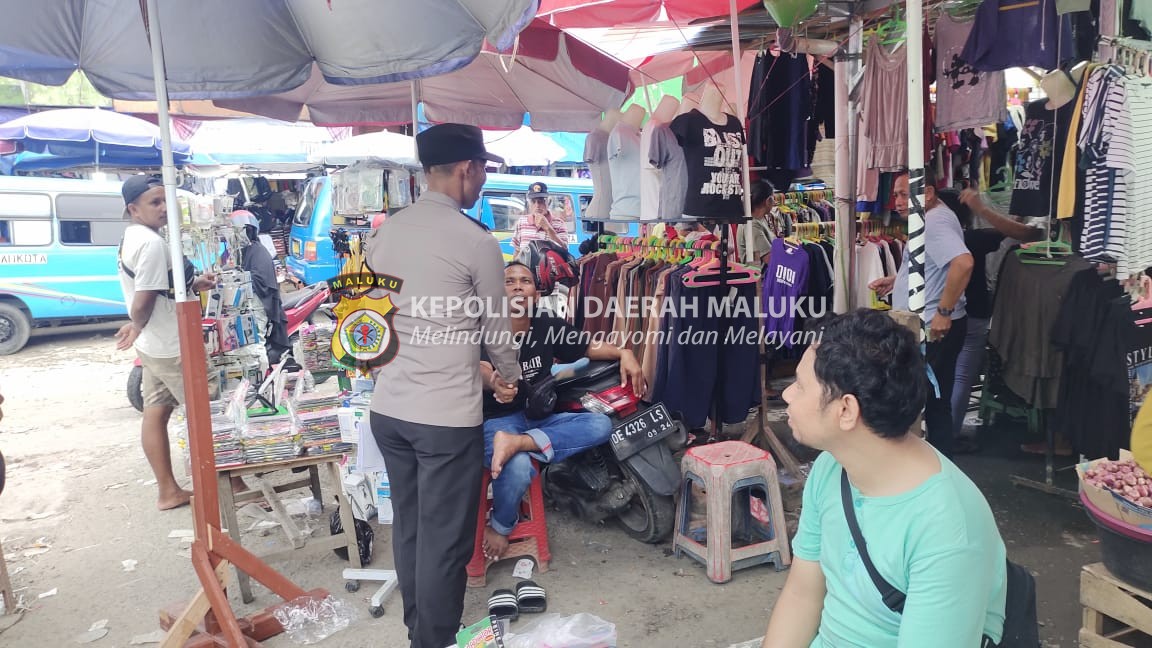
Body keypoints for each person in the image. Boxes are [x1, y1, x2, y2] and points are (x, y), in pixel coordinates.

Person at [761, 309, 1008, 648]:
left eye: (801, 386)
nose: (787, 395)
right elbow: (802, 594)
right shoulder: (829, 469)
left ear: (845, 411)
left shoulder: (947, 528)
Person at [365, 123, 522, 648]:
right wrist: (509, 380)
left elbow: (368, 314)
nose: (481, 180)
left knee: (409, 529)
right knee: (447, 541)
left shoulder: (386, 231)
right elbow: (497, 331)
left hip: (389, 409)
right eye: (481, 170)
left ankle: (419, 631)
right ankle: (431, 641)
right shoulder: (475, 240)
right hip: (443, 417)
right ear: (466, 169)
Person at [479, 262, 644, 561]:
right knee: (517, 469)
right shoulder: (484, 326)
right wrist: (493, 382)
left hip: (538, 418)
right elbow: (476, 367)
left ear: (537, 294)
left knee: (600, 425)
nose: (518, 286)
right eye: (510, 281)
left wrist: (625, 353)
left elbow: (588, 347)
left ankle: (522, 443)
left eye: (525, 281)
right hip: (497, 422)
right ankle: (501, 525)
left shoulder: (546, 324)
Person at [113, 175, 221, 511]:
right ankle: (229, 484)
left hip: (155, 343)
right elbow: (143, 299)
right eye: (154, 203)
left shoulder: (135, 236)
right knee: (211, 411)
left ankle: (168, 491)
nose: (163, 209)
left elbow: (159, 286)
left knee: (156, 412)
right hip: (173, 344)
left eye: (165, 201)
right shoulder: (151, 243)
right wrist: (136, 323)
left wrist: (193, 283)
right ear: (133, 209)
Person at [869, 171, 973, 457]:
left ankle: (926, 465)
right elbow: (935, 265)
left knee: (917, 398)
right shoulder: (936, 216)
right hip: (933, 322)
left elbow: (963, 264)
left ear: (927, 193)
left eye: (904, 194)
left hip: (932, 326)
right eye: (896, 195)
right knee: (936, 399)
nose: (897, 202)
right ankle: (940, 462)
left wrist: (943, 311)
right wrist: (898, 279)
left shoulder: (934, 222)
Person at [949, 189, 1045, 453]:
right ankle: (951, 435)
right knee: (962, 377)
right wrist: (980, 208)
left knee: (942, 376)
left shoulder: (931, 238)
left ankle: (937, 433)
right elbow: (1025, 233)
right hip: (974, 313)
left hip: (943, 313)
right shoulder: (974, 238)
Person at [226, 210, 290, 365]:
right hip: (249, 306)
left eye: (242, 232)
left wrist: (236, 279)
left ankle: (260, 379)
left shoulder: (257, 252)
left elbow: (260, 281)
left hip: (258, 306)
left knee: (254, 345)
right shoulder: (243, 253)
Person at [511, 182, 568, 254]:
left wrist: (548, 228)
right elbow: (517, 251)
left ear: (548, 202)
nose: (537, 205)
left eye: (541, 201)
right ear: (529, 204)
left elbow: (564, 251)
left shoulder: (559, 224)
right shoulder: (522, 222)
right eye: (533, 201)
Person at [736, 179, 777, 265]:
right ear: (768, 200)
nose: (775, 202)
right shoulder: (752, 224)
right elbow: (769, 259)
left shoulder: (759, 220)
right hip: (759, 277)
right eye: (773, 198)